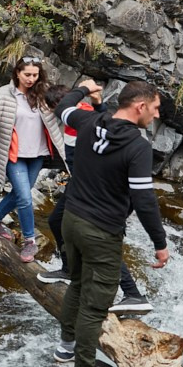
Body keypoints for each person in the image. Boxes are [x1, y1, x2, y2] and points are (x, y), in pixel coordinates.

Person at [53, 79, 169, 367]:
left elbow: (63, 108)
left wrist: (84, 89)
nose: (157, 115)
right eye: (156, 108)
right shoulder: (137, 146)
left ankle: (65, 347)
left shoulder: (89, 121)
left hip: (71, 221)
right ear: (140, 107)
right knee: (95, 307)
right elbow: (144, 199)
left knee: (76, 282)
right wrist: (159, 243)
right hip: (101, 231)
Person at [39, 85, 152, 314]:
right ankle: (69, 269)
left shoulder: (82, 120)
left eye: (52, 108)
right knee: (55, 221)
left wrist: (87, 93)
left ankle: (133, 294)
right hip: (81, 184)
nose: (52, 113)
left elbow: (107, 124)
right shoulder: (80, 120)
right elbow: (105, 117)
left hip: (97, 190)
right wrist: (98, 102)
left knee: (100, 243)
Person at [0, 56, 67, 263]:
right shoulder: (3, 93)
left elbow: (60, 110)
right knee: (25, 197)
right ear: (17, 73)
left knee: (20, 193)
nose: (31, 79)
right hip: (14, 154)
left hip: (37, 154)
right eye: (27, 74)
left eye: (35, 75)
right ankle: (30, 241)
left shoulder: (43, 93)